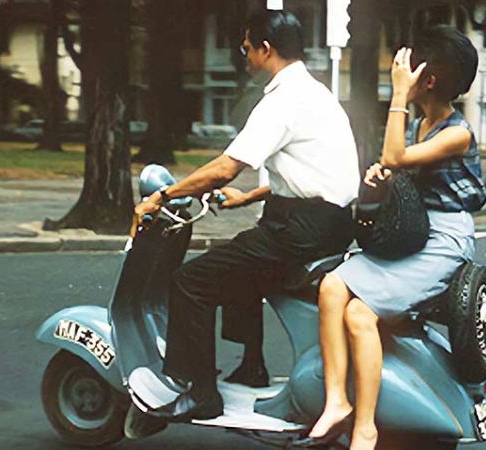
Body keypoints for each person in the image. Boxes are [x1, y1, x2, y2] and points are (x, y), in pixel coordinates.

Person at [132, 10, 359, 422]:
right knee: (238, 260)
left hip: (298, 230)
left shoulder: (282, 100)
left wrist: (162, 196)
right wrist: (249, 198)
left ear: (265, 49)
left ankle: (198, 393)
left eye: (246, 47)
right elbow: (314, 172)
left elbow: (225, 166)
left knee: (190, 282)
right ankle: (251, 366)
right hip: (328, 224)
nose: (244, 55)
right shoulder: (318, 93)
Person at [302, 26, 486, 450]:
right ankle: (336, 403)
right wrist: (381, 178)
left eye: (407, 66)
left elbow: (395, 156)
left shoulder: (457, 133)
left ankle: (366, 428)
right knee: (331, 286)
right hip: (411, 230)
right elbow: (394, 167)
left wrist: (398, 97)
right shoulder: (420, 123)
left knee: (359, 315)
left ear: (430, 78)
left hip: (443, 240)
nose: (398, 70)